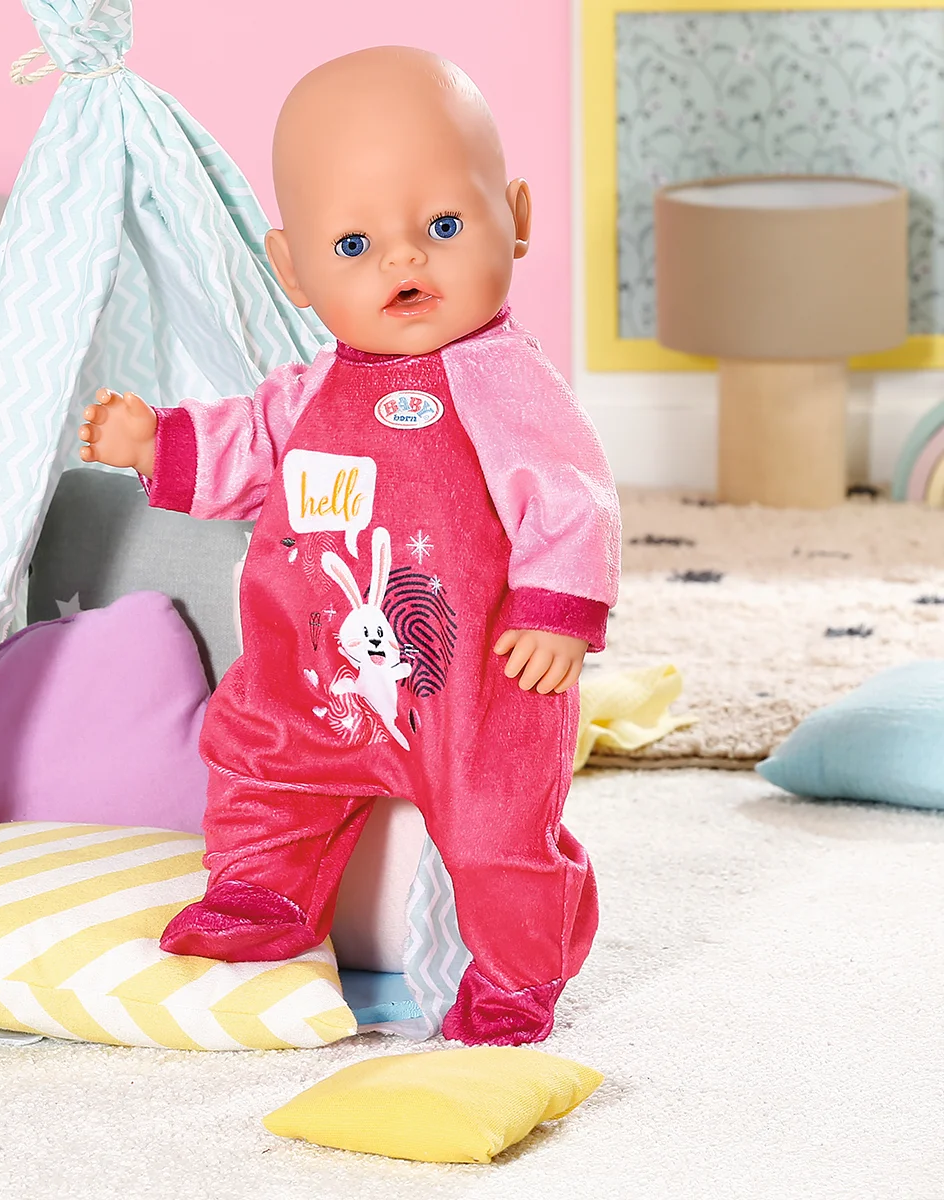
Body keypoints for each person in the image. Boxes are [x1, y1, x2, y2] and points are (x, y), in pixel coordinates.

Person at [79, 46, 620, 1045]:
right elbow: (246, 444)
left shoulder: (502, 379)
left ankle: (516, 973)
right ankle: (261, 894)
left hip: (477, 685)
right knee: (257, 761)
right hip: (313, 676)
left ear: (516, 218)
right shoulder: (311, 389)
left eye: (444, 227)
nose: (403, 261)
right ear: (293, 269)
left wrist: (558, 609)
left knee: (499, 830)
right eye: (355, 243)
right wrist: (157, 443)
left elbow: (571, 493)